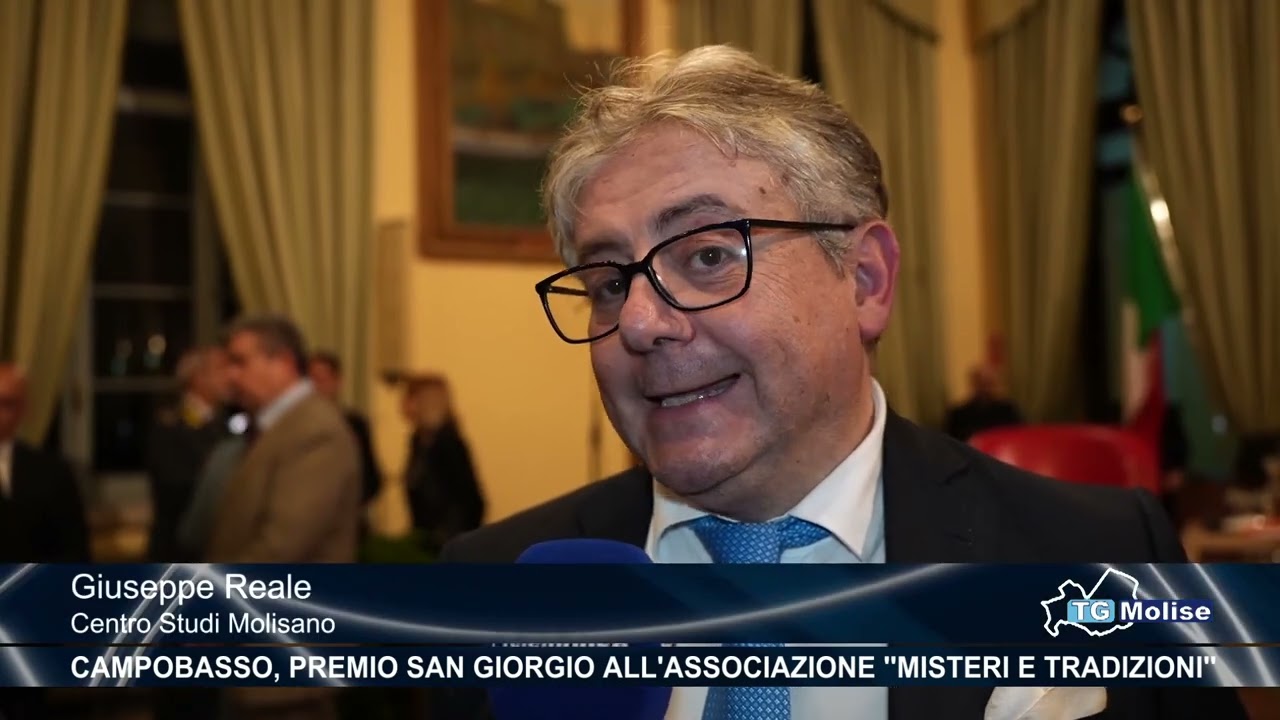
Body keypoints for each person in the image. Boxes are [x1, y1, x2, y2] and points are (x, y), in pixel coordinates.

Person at [433, 46, 1247, 720]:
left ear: (864, 280)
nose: (640, 322)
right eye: (610, 282)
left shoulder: (1099, 552)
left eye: (707, 255)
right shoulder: (492, 590)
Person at [206, 315, 360, 720]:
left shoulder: (315, 432)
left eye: (240, 362)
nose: (231, 376)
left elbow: (282, 546)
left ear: (284, 362)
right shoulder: (276, 427)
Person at [146, 346, 232, 561]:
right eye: (221, 369)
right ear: (198, 379)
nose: (231, 376)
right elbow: (178, 488)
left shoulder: (224, 424)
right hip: (180, 554)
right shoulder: (171, 427)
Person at [396, 374, 485, 556]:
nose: (403, 404)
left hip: (446, 543)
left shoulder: (448, 442)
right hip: (426, 540)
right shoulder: (419, 441)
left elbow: (470, 498)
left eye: (410, 397)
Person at [309, 351, 383, 511]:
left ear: (337, 382)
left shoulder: (354, 424)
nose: (316, 388)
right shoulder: (295, 426)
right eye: (311, 381)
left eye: (322, 380)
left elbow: (371, 476)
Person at [944, 364, 1024, 441]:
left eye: (989, 383)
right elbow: (949, 442)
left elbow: (1020, 436)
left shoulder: (1007, 410)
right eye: (981, 383)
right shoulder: (959, 414)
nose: (985, 388)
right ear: (974, 384)